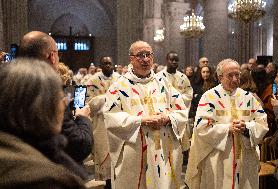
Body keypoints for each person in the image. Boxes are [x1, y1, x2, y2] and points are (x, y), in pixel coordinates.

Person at [103, 41, 188, 188]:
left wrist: (167, 118)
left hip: (162, 149)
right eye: (140, 55)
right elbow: (111, 117)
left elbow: (181, 110)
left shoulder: (164, 83)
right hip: (134, 152)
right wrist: (141, 120)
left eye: (148, 55)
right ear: (131, 58)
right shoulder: (119, 86)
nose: (145, 59)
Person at [0, 58, 86, 188]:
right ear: (40, 106)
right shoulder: (47, 181)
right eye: (59, 97)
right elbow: (80, 144)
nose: (64, 103)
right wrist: (83, 119)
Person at [185, 59, 269, 189]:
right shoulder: (209, 97)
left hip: (245, 158)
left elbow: (262, 123)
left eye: (237, 74)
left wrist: (247, 128)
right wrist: (227, 128)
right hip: (218, 158)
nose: (235, 79)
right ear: (220, 77)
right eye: (230, 75)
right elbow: (201, 127)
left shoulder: (249, 97)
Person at [18, 31, 93, 167]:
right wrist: (83, 118)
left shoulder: (10, 83)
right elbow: (78, 146)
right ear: (52, 56)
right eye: (58, 53)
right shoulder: (47, 90)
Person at [87, 56, 120, 188]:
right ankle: (108, 183)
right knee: (104, 154)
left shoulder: (120, 79)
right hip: (101, 124)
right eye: (105, 63)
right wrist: (106, 98)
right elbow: (88, 103)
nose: (108, 65)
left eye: (110, 63)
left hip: (118, 121)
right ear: (100, 65)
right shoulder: (92, 80)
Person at [157, 51, 193, 151]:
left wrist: (177, 99)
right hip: (164, 115)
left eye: (176, 60)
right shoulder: (158, 77)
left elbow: (189, 94)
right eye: (171, 60)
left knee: (178, 148)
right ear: (166, 61)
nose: (174, 62)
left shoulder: (183, 77)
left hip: (178, 115)